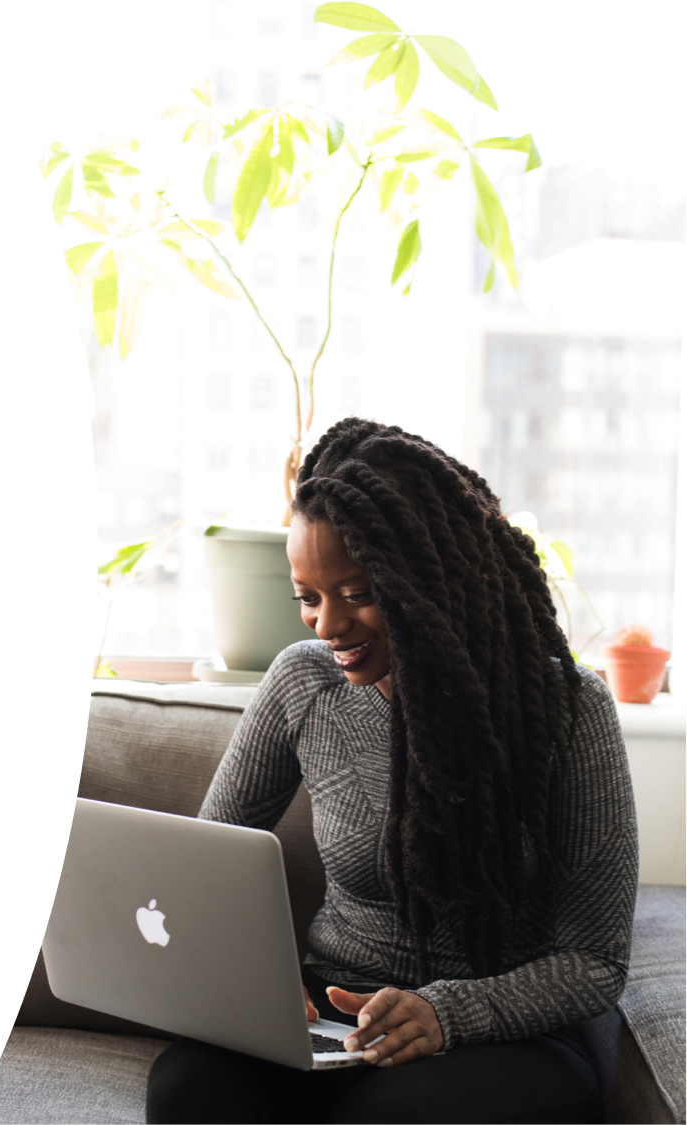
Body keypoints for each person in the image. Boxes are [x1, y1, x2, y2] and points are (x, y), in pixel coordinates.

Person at [147, 418, 638, 1125]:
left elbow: (595, 960)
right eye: (308, 597)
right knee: (187, 1088)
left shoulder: (569, 708)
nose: (326, 625)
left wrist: (445, 1013)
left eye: (356, 594)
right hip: (335, 1011)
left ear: (431, 580)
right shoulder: (303, 684)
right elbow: (201, 865)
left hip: (500, 1034)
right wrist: (258, 983)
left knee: (393, 1115)